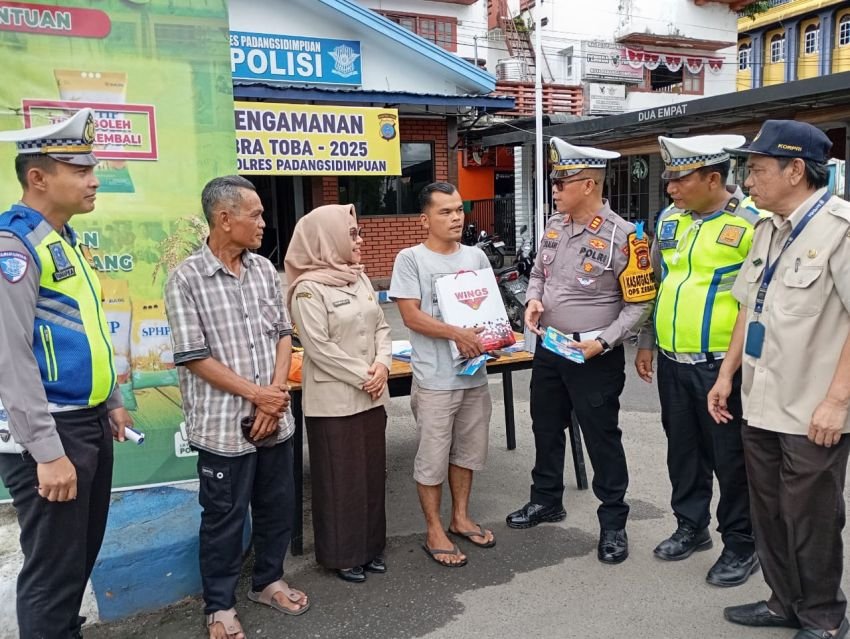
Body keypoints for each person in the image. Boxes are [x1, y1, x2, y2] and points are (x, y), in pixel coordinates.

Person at [708, 120, 850, 639]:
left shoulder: (841, 228)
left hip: (813, 407)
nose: (748, 180)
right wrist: (726, 375)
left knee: (811, 518)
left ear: (796, 170)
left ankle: (823, 617)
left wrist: (837, 402)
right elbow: (750, 306)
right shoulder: (767, 228)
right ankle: (782, 602)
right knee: (768, 510)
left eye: (758, 168)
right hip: (760, 399)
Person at [0, 108, 133, 638]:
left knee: (75, 561)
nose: (94, 178)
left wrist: (113, 397)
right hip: (52, 434)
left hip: (87, 422)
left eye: (92, 166)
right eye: (79, 169)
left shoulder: (63, 239)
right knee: (53, 575)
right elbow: (10, 358)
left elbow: (87, 331)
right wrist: (47, 453)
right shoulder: (16, 248)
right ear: (38, 178)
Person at [165, 175, 309, 639]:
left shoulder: (265, 271)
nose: (264, 222)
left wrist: (273, 394)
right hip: (223, 428)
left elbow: (283, 334)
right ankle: (220, 606)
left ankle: (268, 580)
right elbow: (194, 356)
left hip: (274, 418)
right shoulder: (186, 278)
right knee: (224, 518)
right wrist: (257, 394)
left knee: (276, 506)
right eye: (256, 214)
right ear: (224, 219)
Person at [505, 137, 655, 565]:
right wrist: (533, 299)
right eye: (554, 181)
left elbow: (641, 302)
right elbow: (538, 273)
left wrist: (604, 341)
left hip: (594, 355)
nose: (554, 188)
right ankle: (546, 499)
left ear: (588, 185)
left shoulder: (625, 237)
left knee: (601, 437)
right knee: (545, 425)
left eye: (561, 181)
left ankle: (613, 523)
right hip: (552, 348)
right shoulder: (554, 225)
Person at [634, 135, 760, 586]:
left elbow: (761, 304)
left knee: (730, 458)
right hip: (672, 361)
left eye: (679, 179)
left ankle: (741, 544)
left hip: (721, 366)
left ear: (712, 178)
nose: (670, 188)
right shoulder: (670, 219)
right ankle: (691, 526)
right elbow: (656, 283)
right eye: (668, 179)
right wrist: (646, 340)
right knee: (682, 451)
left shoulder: (752, 224)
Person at [389, 181, 495, 568]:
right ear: (424, 219)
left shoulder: (476, 257)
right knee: (432, 457)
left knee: (468, 451)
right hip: (435, 379)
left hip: (474, 375)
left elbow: (488, 314)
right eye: (445, 212)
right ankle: (434, 528)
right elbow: (410, 316)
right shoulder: (411, 259)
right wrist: (456, 333)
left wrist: (492, 336)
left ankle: (460, 516)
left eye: (459, 210)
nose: (455, 218)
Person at [284, 204, 392, 584]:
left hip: (371, 394)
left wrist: (383, 365)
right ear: (326, 239)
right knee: (340, 480)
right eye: (352, 235)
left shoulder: (359, 279)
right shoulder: (307, 290)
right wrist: (367, 374)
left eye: (359, 233)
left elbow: (382, 326)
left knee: (370, 476)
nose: (360, 240)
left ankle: (372, 547)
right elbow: (319, 348)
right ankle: (344, 554)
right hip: (335, 402)